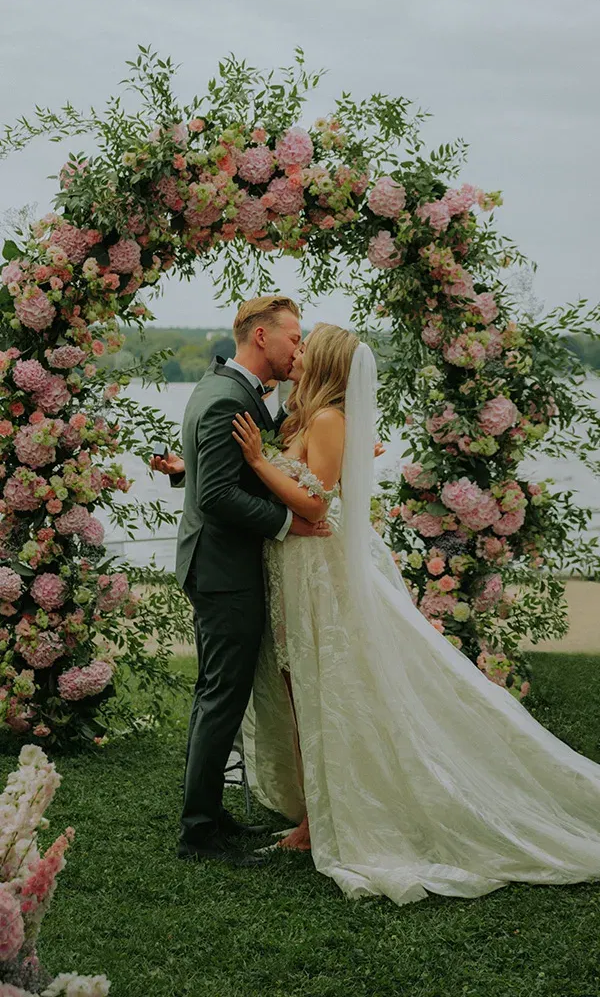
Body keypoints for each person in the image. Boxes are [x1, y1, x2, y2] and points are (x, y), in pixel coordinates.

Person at [233, 322, 600, 906]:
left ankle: (325, 820)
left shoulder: (328, 420)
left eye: (306, 347)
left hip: (322, 573)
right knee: (301, 688)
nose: (296, 353)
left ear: (325, 362)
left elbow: (315, 500)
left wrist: (256, 462)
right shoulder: (307, 416)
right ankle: (312, 813)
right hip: (296, 569)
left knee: (328, 689)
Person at [155, 295, 330, 867]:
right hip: (223, 571)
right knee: (220, 696)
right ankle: (198, 834)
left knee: (219, 695)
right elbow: (217, 494)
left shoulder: (224, 388)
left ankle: (208, 812)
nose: (297, 349)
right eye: (293, 338)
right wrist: (289, 522)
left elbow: (211, 474)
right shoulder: (228, 398)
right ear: (262, 338)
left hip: (219, 564)